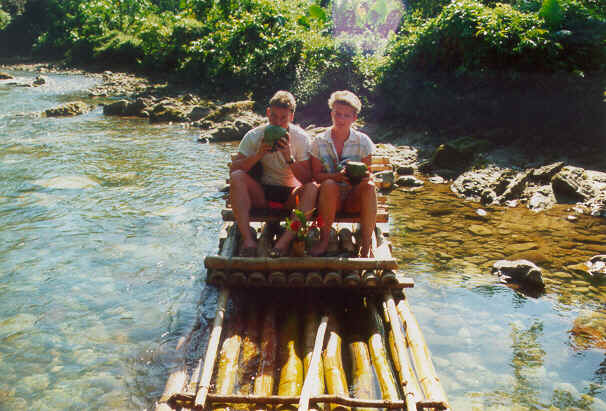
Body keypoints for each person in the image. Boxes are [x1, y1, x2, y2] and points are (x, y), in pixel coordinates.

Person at [230, 91, 317, 257]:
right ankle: (248, 240)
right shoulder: (254, 136)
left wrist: (289, 158)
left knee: (312, 187)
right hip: (262, 192)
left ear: (291, 116)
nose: (277, 122)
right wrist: (258, 154)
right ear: (268, 112)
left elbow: (307, 179)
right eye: (274, 116)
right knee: (236, 177)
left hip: (291, 194)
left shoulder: (301, 138)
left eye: (283, 118)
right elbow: (234, 170)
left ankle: (283, 242)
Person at [309, 90, 376, 257]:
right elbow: (315, 176)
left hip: (353, 198)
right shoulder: (319, 141)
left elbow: (368, 173)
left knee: (369, 186)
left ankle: (367, 246)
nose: (341, 119)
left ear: (354, 118)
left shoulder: (363, 142)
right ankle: (324, 241)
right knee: (330, 184)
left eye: (346, 115)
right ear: (332, 113)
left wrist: (364, 177)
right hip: (329, 199)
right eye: (337, 114)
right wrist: (335, 177)